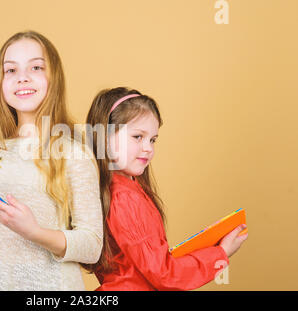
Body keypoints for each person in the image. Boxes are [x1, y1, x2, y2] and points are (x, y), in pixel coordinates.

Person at [0, 31, 103, 290]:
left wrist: (33, 232)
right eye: (11, 70)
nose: (23, 77)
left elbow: (92, 246)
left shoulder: (73, 153)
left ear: (54, 78)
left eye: (36, 67)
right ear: (0, 82)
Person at [84, 87, 248, 290]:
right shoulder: (124, 197)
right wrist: (220, 253)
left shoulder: (123, 190)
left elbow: (157, 266)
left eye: (153, 139)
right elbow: (164, 275)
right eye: (138, 137)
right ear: (105, 138)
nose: (148, 148)